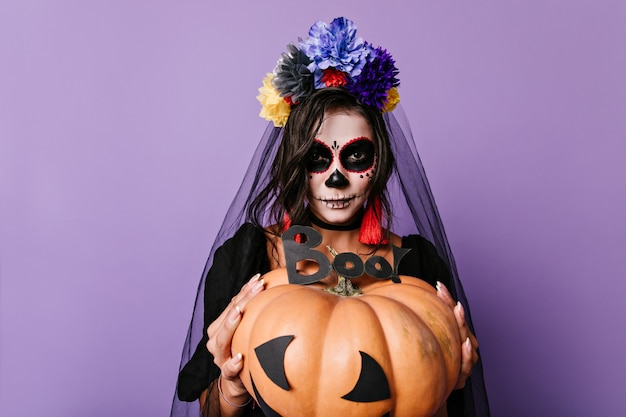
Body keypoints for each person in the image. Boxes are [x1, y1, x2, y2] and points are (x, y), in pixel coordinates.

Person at [171, 17, 490, 417]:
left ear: (381, 163)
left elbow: (424, 404)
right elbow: (212, 412)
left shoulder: (418, 264)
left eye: (355, 156)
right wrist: (231, 386)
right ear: (293, 164)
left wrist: (448, 379)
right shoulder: (247, 258)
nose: (335, 179)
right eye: (317, 158)